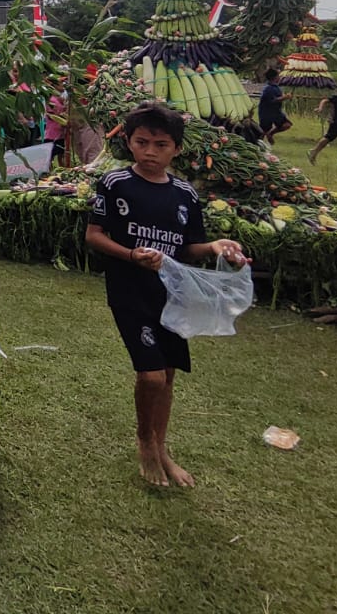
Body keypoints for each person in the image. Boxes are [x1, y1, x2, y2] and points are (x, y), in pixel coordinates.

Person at [83, 103, 248, 488]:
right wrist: (130, 255)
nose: (150, 152)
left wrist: (215, 248)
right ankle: (144, 442)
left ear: (176, 148)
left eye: (161, 144)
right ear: (128, 142)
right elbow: (93, 235)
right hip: (129, 290)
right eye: (142, 142)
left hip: (172, 296)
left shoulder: (185, 195)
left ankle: (161, 446)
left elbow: (187, 247)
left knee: (169, 374)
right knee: (152, 377)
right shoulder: (115, 184)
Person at [258, 68, 292, 144]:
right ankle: (257, 144)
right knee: (262, 132)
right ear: (275, 77)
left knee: (286, 125)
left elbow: (278, 97)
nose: (279, 77)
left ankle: (270, 133)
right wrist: (285, 97)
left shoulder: (276, 87)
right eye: (278, 76)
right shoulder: (268, 88)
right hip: (266, 113)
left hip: (276, 112)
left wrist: (284, 96)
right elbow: (273, 100)